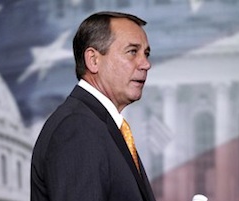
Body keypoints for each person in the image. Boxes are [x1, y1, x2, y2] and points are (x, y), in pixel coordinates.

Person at [30, 11, 155, 201]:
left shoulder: (98, 125)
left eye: (146, 54)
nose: (145, 64)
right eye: (132, 52)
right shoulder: (77, 128)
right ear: (93, 60)